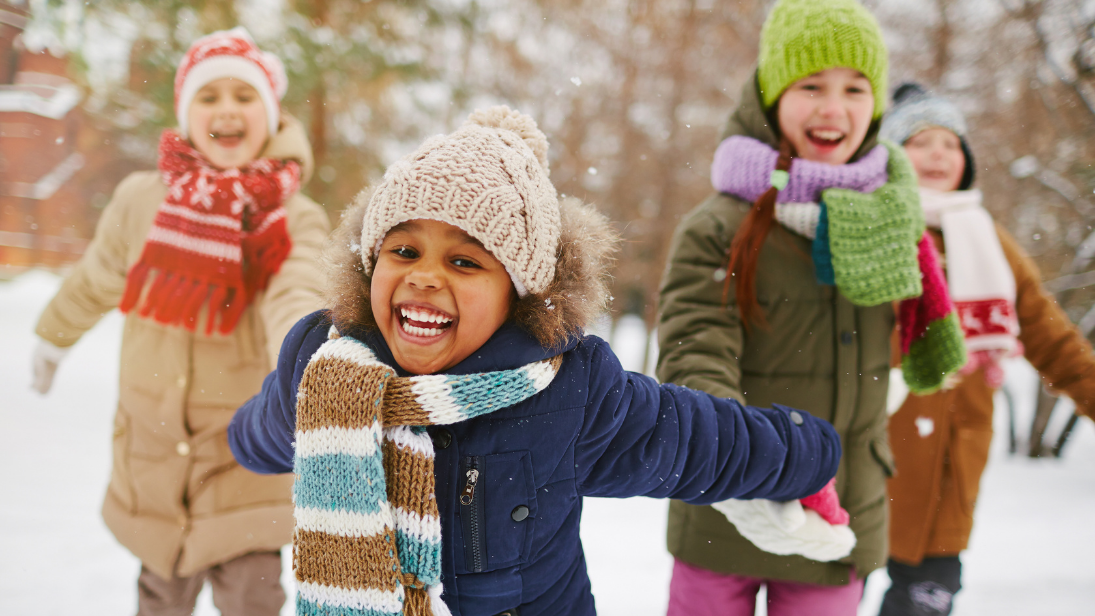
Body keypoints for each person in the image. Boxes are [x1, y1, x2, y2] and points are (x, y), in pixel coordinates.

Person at [227, 105, 844, 615]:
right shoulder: (329, 370)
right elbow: (269, 429)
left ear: (518, 292)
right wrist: (241, 436)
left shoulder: (568, 392)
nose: (424, 277)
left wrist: (808, 452)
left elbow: (697, 440)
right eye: (404, 250)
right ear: (369, 265)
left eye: (465, 261)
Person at [655, 1, 968, 614]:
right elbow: (696, 353)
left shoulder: (894, 220)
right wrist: (746, 468)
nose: (834, 107)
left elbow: (904, 349)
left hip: (841, 514)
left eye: (855, 87)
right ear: (772, 96)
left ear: (875, 104)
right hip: (727, 512)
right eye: (811, 85)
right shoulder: (717, 226)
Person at [30, 27, 330, 615]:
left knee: (251, 598)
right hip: (154, 451)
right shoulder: (142, 200)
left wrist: (306, 363)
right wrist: (52, 336)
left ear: (270, 116)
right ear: (185, 113)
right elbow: (96, 277)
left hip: (246, 456)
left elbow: (298, 289)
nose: (226, 110)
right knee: (159, 599)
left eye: (244, 97)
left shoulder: (292, 215)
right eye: (208, 96)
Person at [878, 83, 1095, 616]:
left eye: (950, 144)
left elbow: (1054, 341)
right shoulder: (870, 232)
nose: (937, 154)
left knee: (923, 604)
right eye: (920, 141)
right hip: (871, 458)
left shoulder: (990, 243)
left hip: (953, 466)